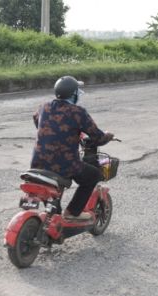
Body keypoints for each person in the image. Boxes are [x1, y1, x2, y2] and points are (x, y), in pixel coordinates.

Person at [31, 76, 114, 221]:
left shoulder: (43, 107)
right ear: (74, 94)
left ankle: (54, 214)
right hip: (65, 164)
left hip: (38, 162)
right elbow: (98, 138)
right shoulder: (78, 112)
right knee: (93, 175)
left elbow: (38, 122)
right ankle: (73, 212)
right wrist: (108, 135)